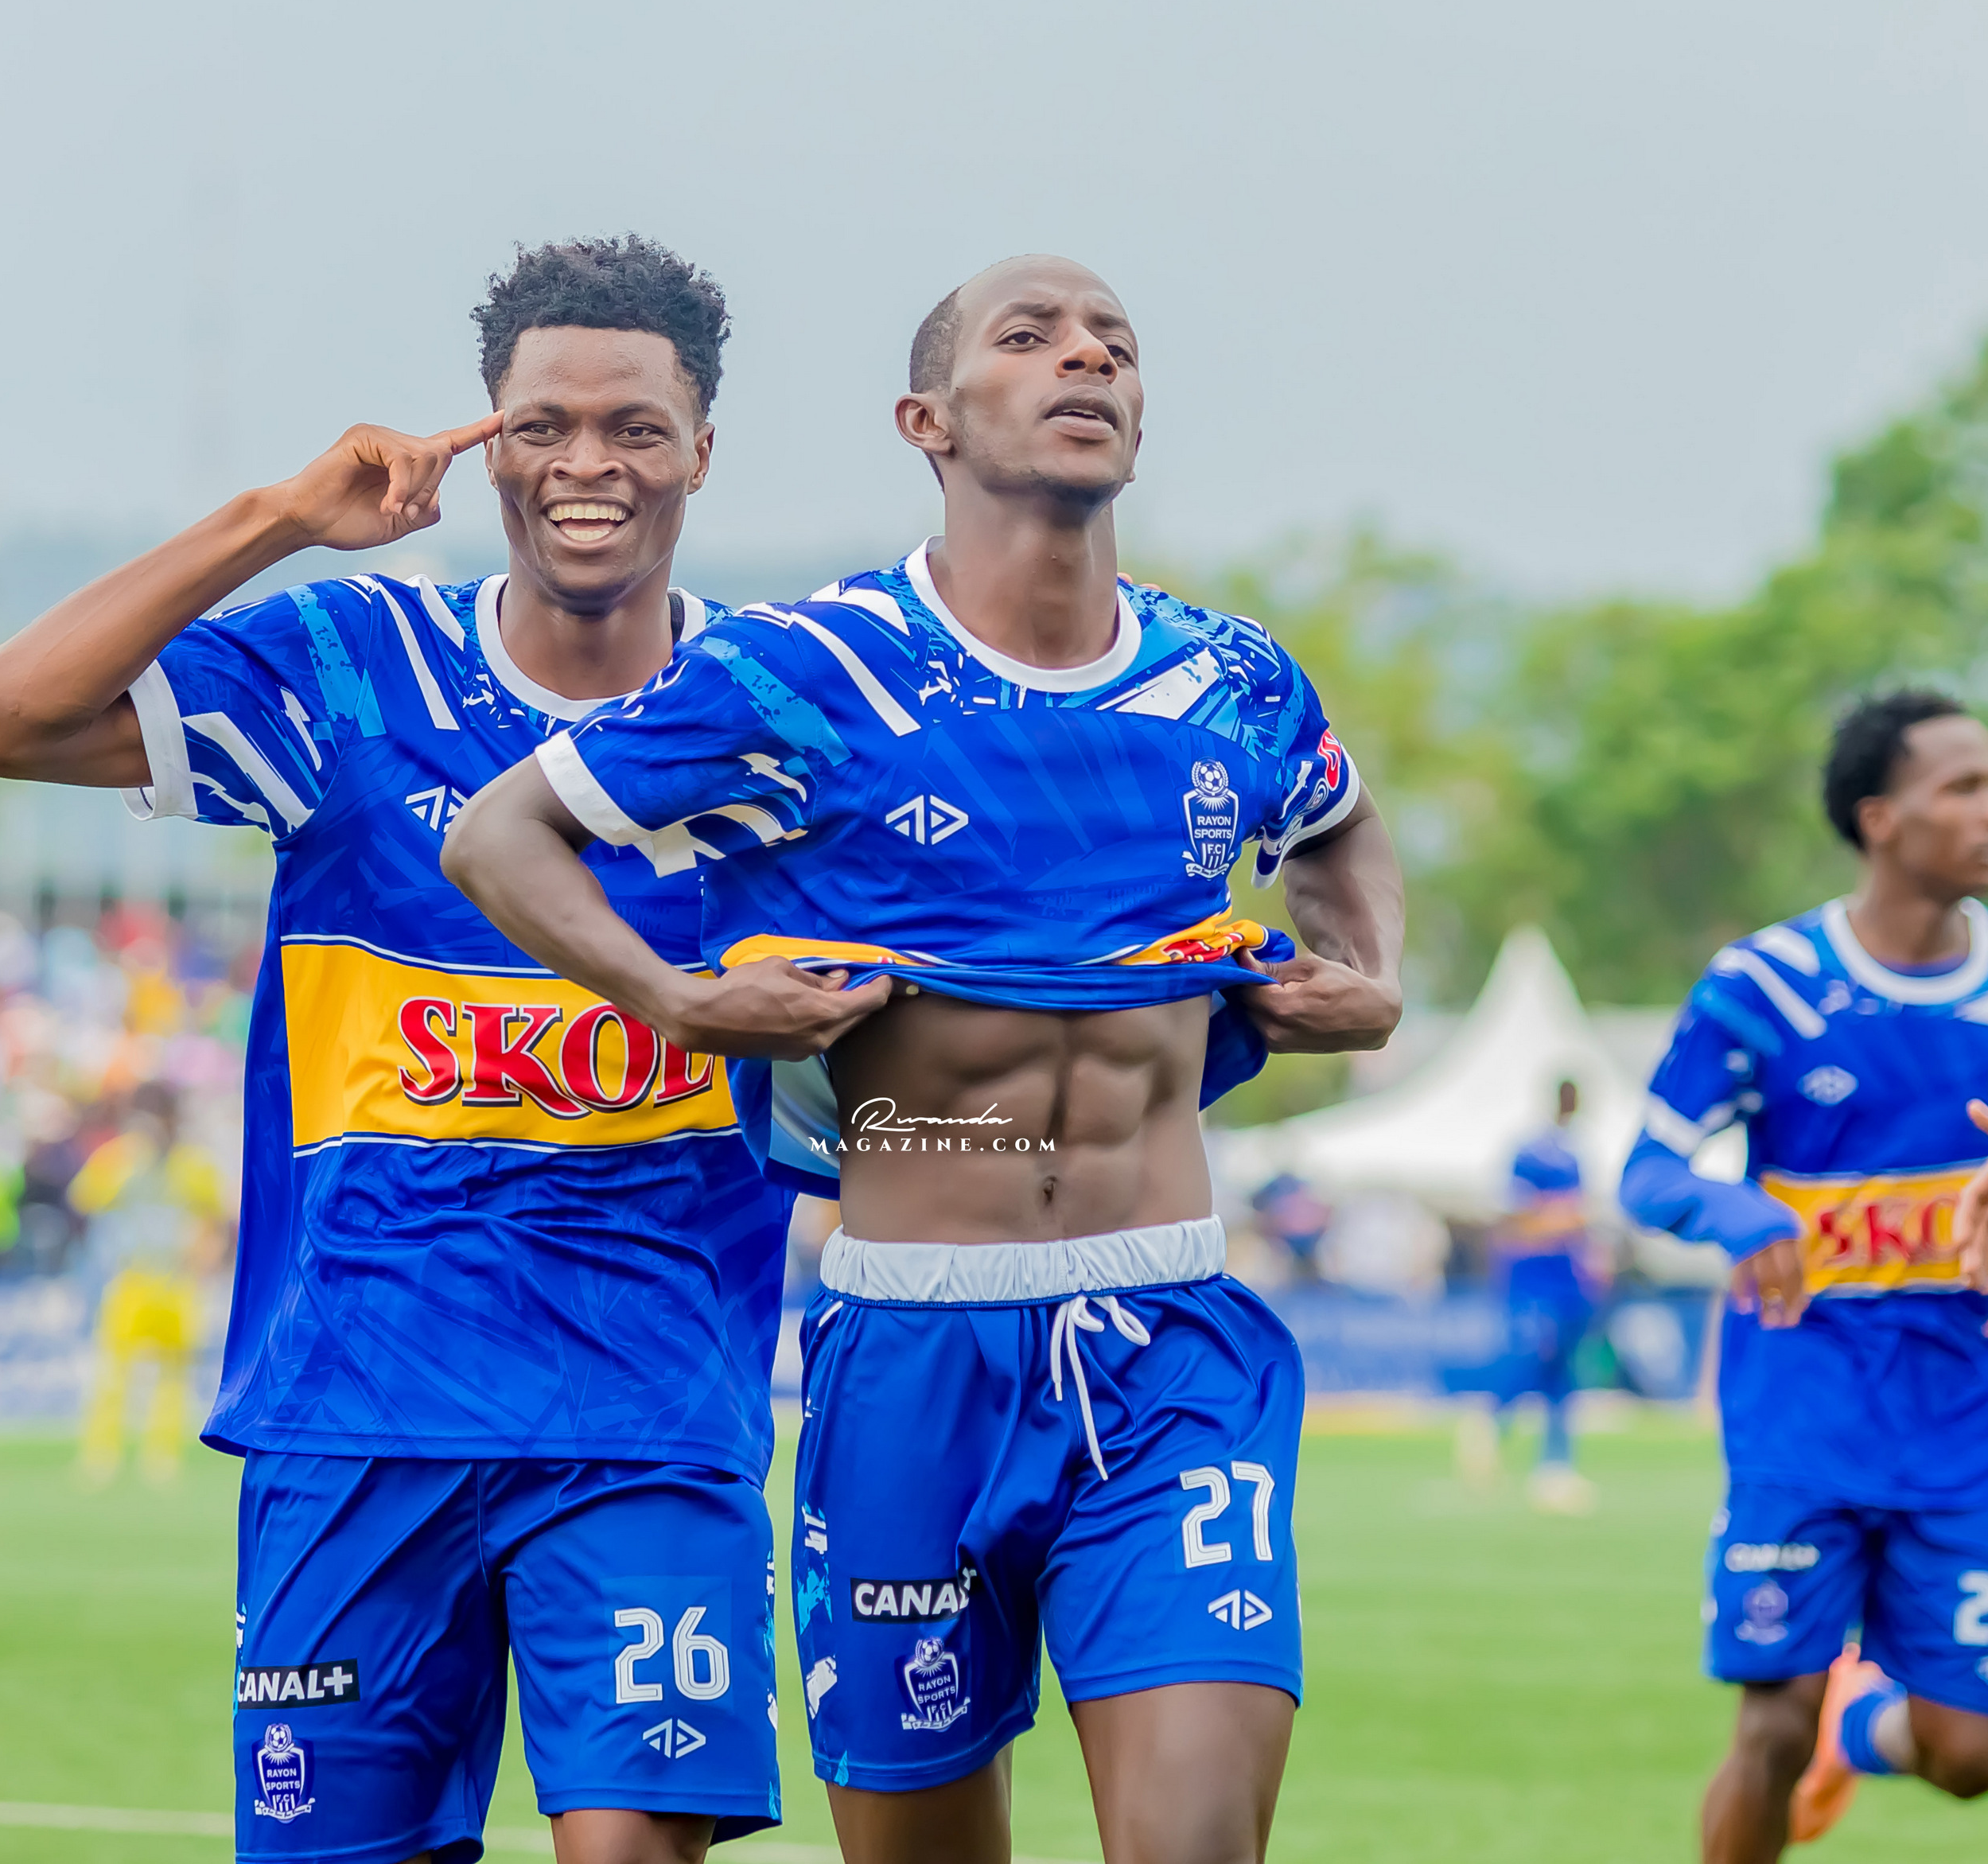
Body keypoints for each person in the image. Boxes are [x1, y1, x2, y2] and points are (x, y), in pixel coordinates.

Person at [445, 255, 1405, 1864]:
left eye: (1114, 344)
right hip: (907, 1349)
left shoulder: (1229, 677)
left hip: (1170, 1341)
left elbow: (1341, 820)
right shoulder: (806, 669)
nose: (1086, 359)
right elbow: (501, 835)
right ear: (928, 421)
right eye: (1030, 339)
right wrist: (678, 1000)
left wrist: (1368, 980)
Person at [0, 236, 790, 1864]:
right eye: (543, 426)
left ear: (700, 451)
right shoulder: (348, 667)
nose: (589, 463)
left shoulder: (776, 705)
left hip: (648, 1404)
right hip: (355, 1407)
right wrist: (276, 516)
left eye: (636, 427)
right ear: (489, 444)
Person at [1618, 691, 1988, 1862]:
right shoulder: (1766, 985)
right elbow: (1649, 1169)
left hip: (1966, 1426)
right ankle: (1818, 1721)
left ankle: (1861, 1728)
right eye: (1965, 787)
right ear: (1882, 818)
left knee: (1970, 1755)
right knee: (1771, 1720)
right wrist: (1734, 1207)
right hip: (1803, 1415)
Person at [69, 1081, 227, 1486]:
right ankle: (102, 1454)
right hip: (131, 1277)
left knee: (174, 1373)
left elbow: (217, 1217)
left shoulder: (193, 1165)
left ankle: (162, 1456)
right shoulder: (119, 1160)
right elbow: (81, 1202)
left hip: (177, 1280)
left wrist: (206, 1256)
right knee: (114, 1370)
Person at [1457, 1080, 1603, 1511]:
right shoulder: (1531, 1153)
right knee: (1530, 1362)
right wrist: (1562, 1221)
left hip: (1567, 1284)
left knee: (1563, 1377)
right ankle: (1489, 1425)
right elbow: (1516, 1220)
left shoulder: (1574, 1155)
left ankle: (1554, 1467)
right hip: (1534, 1285)